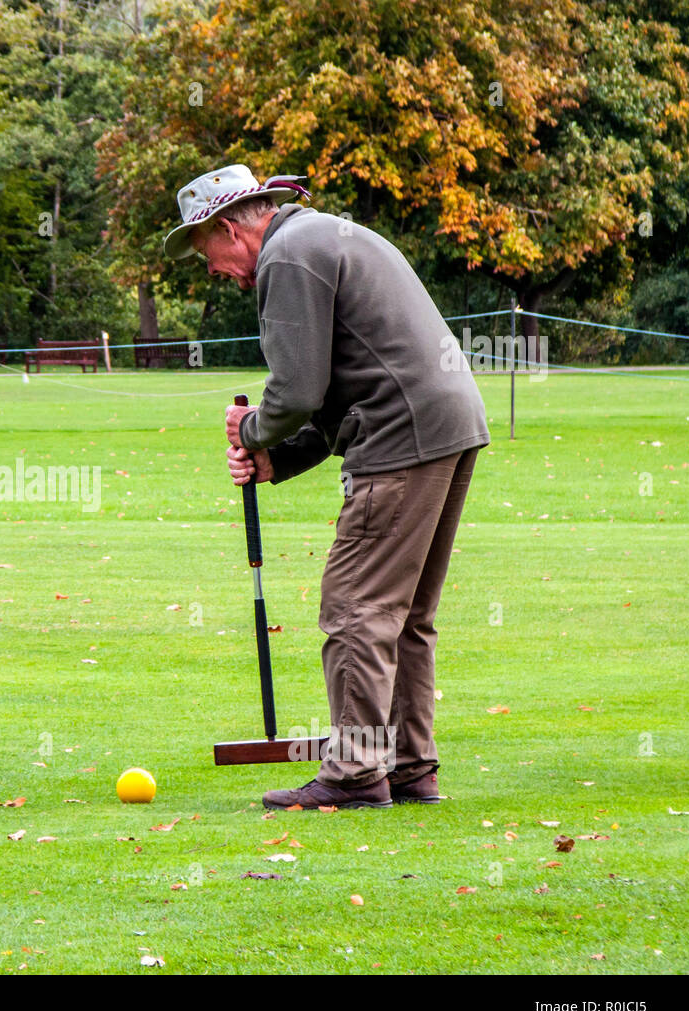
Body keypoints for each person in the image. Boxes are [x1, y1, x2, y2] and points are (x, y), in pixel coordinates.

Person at [163, 164, 490, 810]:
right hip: (449, 424)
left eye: (209, 256)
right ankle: (406, 765)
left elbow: (295, 393)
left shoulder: (288, 256)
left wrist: (252, 428)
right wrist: (274, 461)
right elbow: (334, 398)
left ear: (231, 228)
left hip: (403, 437)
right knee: (405, 616)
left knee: (355, 609)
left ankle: (354, 774)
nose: (215, 273)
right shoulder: (319, 238)